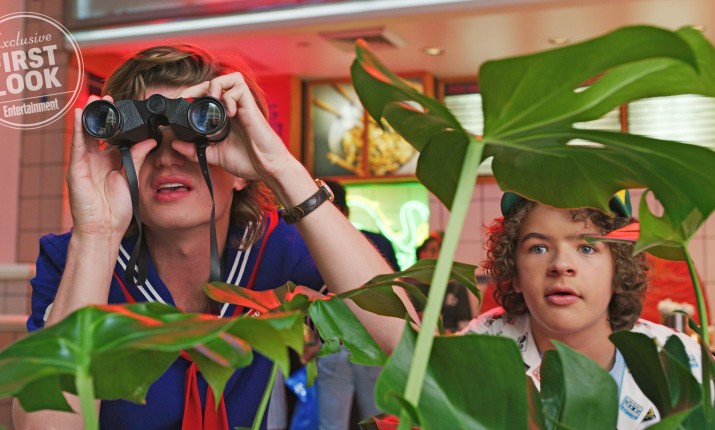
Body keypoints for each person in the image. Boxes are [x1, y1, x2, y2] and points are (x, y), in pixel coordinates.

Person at [14, 45, 413, 430]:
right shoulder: (75, 257)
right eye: (142, 141)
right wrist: (97, 235)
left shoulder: (275, 247)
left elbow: (408, 352)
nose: (166, 158)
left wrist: (280, 167)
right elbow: (45, 426)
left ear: (240, 172)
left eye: (196, 136)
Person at [462, 191, 704, 429]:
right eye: (539, 248)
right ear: (515, 273)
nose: (561, 265)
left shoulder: (686, 364)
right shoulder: (475, 355)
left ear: (619, 269)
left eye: (587, 248)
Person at [317, 180, 399, 430]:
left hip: (334, 340)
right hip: (370, 341)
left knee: (332, 422)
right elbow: (397, 296)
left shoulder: (314, 245)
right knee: (378, 420)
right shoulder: (376, 243)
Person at [411, 234, 473, 333]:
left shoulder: (457, 287)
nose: (428, 256)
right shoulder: (413, 289)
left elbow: (465, 326)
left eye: (433, 251)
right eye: (424, 251)